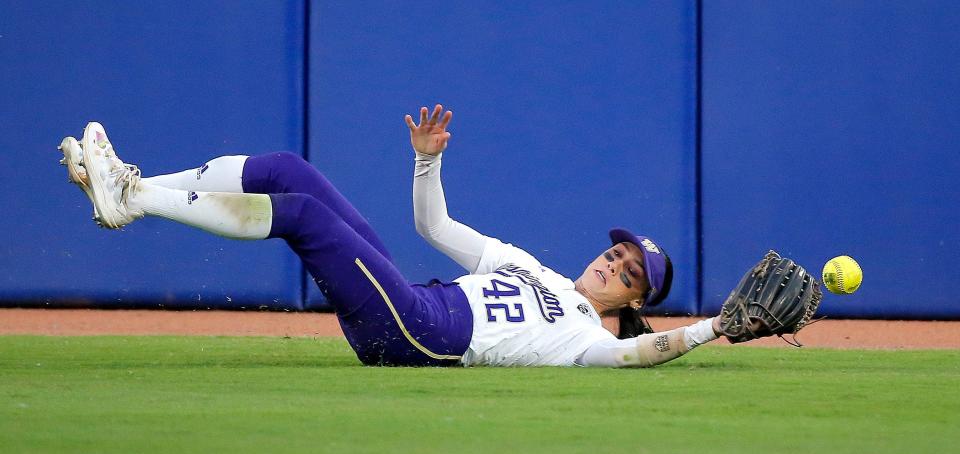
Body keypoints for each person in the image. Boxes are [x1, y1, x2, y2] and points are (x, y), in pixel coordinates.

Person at [59, 104, 723, 367]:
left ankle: (135, 197)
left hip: (419, 334)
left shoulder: (586, 340)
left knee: (302, 216)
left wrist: (712, 329)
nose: (615, 263)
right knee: (291, 172)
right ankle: (131, 188)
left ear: (635, 303)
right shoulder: (532, 268)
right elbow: (433, 225)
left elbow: (641, 356)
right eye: (618, 251)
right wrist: (427, 159)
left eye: (630, 272)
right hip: (411, 300)